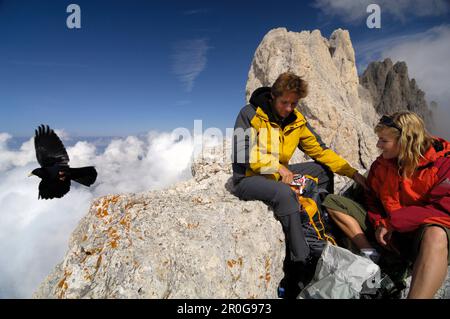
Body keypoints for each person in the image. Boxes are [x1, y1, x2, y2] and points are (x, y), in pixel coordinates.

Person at [231, 72, 367, 266]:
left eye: (294, 104)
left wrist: (352, 173)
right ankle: (301, 258)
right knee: (285, 194)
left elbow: (320, 151)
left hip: (278, 175)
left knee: (322, 171)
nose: (288, 108)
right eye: (284, 102)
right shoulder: (249, 114)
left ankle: (319, 222)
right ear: (273, 96)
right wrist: (277, 167)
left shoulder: (297, 121)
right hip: (248, 178)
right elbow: (241, 153)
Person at [323, 111, 450, 299]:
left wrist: (393, 223)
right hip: (391, 233)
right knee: (333, 203)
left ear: (405, 141)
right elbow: (372, 198)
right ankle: (371, 255)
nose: (378, 145)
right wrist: (378, 223)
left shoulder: (443, 162)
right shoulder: (381, 165)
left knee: (436, 234)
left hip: (420, 235)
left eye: (384, 140)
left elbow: (444, 208)